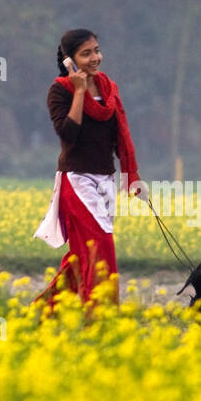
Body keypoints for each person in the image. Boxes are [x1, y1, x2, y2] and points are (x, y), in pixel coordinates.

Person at [32, 28, 149, 311]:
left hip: (105, 179)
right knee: (100, 248)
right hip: (76, 179)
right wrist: (80, 90)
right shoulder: (60, 90)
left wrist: (132, 176)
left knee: (82, 254)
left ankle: (44, 312)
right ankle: (100, 318)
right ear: (70, 60)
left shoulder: (109, 88)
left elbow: (121, 135)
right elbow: (67, 133)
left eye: (96, 50)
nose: (95, 58)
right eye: (86, 54)